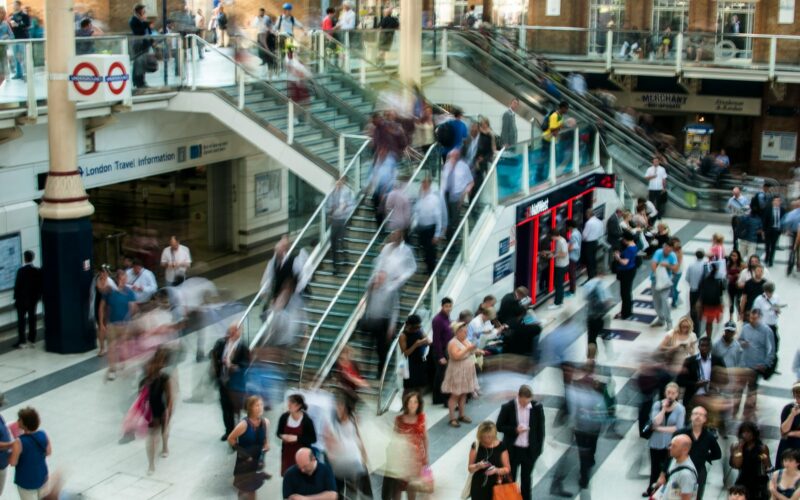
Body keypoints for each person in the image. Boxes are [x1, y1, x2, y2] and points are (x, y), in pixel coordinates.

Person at [496, 385, 544, 500]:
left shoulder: (537, 408)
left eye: (527, 402)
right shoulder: (508, 407)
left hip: (529, 451)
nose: (525, 405)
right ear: (518, 396)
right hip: (513, 450)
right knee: (509, 479)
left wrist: (537, 450)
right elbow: (499, 426)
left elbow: (540, 430)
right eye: (523, 402)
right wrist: (514, 430)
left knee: (526, 480)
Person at [325, 392, 371, 498]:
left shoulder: (353, 420)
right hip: (337, 462)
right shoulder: (332, 422)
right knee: (337, 490)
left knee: (353, 490)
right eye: (337, 406)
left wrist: (364, 456)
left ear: (346, 407)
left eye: (341, 406)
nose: (338, 409)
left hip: (353, 461)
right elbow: (328, 439)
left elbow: (360, 438)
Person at [384, 391, 429, 500]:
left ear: (419, 404)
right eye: (410, 402)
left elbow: (425, 437)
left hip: (416, 459)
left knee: (412, 487)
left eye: (415, 402)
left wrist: (426, 456)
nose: (412, 405)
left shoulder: (422, 418)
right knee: (398, 487)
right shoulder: (399, 420)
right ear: (406, 404)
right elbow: (394, 438)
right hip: (401, 459)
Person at [645, 382, 686, 497]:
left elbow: (678, 428)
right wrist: (663, 410)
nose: (670, 395)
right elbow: (655, 421)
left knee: (667, 469)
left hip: (670, 444)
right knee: (654, 468)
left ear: (677, 394)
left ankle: (664, 492)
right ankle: (651, 490)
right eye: (668, 392)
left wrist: (659, 429)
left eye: (673, 393)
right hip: (655, 442)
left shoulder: (680, 409)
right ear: (665, 393)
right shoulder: (657, 405)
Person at [673, 406, 721, 500]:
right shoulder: (680, 433)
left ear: (705, 419)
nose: (698, 417)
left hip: (699, 471)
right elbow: (670, 454)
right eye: (695, 414)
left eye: (701, 415)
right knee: (675, 496)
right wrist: (663, 474)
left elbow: (717, 454)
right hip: (679, 469)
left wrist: (705, 456)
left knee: (697, 497)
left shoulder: (709, 436)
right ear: (690, 416)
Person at [211, 323, 250, 440]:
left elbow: (246, 364)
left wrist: (235, 366)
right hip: (223, 381)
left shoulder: (243, 346)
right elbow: (214, 355)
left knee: (235, 410)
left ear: (240, 332)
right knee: (225, 407)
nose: (232, 333)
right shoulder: (222, 343)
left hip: (236, 384)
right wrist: (219, 362)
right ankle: (228, 431)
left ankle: (236, 434)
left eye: (235, 331)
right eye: (230, 330)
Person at [228, 395, 270, 499]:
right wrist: (243, 453)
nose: (260, 407)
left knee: (253, 491)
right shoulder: (244, 424)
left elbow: (265, 442)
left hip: (256, 465)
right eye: (256, 405)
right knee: (243, 492)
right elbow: (231, 438)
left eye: (261, 405)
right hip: (243, 465)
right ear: (250, 408)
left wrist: (265, 447)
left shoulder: (265, 422)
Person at [739, 308, 776, 421]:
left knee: (751, 390)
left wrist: (765, 364)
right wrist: (742, 343)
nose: (751, 320)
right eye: (750, 317)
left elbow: (771, 350)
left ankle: (748, 414)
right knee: (739, 389)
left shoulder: (766, 331)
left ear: (759, 317)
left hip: (756, 367)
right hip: (744, 365)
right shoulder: (745, 328)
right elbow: (739, 340)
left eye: (754, 318)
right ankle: (737, 411)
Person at [142, 348, 173, 475]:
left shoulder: (164, 378)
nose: (151, 367)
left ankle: (165, 445)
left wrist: (169, 412)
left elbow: (170, 397)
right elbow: (141, 399)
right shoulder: (144, 381)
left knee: (163, 432)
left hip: (161, 410)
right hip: (150, 412)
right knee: (151, 437)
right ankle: (151, 464)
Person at [442, 321, 479, 428]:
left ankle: (461, 415)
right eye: (463, 332)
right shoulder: (452, 343)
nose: (466, 334)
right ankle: (452, 418)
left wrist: (477, 350)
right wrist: (468, 349)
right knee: (455, 395)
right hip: (457, 371)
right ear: (457, 332)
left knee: (464, 393)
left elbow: (470, 350)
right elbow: (456, 356)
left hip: (467, 370)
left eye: (466, 331)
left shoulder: (466, 340)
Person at [103, 269, 137, 380]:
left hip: (125, 325)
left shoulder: (130, 292)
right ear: (117, 279)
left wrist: (127, 320)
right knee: (112, 348)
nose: (124, 281)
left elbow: (132, 308)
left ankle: (124, 366)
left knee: (124, 347)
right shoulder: (110, 292)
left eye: (125, 279)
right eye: (122, 279)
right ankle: (112, 369)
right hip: (112, 324)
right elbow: (106, 307)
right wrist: (105, 322)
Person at [9, 407, 50, 499]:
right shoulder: (43, 434)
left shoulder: (19, 442)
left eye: (19, 419)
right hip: (42, 476)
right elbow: (48, 452)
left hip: (26, 480)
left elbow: (13, 462)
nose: (17, 421)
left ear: (25, 424)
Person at [677, 337, 726, 412]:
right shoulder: (690, 361)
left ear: (710, 347)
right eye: (702, 345)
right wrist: (695, 384)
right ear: (698, 347)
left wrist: (714, 386)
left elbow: (725, 379)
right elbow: (680, 381)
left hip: (712, 398)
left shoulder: (718, 360)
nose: (704, 348)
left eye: (707, 346)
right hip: (693, 397)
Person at [467, 421, 511, 500]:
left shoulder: (501, 447)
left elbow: (507, 469)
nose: (486, 440)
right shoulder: (476, 445)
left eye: (489, 437)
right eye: (483, 437)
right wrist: (478, 465)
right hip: (479, 486)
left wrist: (496, 470)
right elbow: (470, 468)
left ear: (494, 435)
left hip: (497, 485)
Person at [277, 394, 317, 476]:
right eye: (289, 402)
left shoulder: (307, 421)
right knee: (288, 476)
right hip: (287, 454)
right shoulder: (284, 417)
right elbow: (278, 432)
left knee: (300, 476)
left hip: (302, 456)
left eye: (292, 403)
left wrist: (296, 438)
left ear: (299, 406)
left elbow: (313, 439)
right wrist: (282, 436)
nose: (289, 405)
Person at [731, 421, 771, 500]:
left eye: (748, 432)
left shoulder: (762, 448)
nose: (745, 434)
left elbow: (767, 465)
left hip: (758, 481)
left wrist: (763, 458)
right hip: (743, 479)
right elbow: (737, 465)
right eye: (743, 432)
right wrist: (740, 449)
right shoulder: (736, 447)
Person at [651, 434, 698, 500]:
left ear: (685, 450)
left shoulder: (686, 475)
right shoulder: (674, 459)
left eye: (674, 446)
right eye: (670, 444)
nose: (669, 448)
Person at [441, 148, 474, 240]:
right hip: (446, 194)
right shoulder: (446, 166)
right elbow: (443, 180)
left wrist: (464, 194)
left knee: (454, 219)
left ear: (458, 156)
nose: (452, 158)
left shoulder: (464, 167)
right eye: (451, 156)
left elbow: (471, 182)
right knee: (447, 217)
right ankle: (448, 237)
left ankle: (453, 239)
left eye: (455, 156)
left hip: (457, 195)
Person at [414, 177, 445, 275]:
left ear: (429, 184)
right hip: (421, 228)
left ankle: (432, 271)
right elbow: (416, 211)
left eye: (425, 183)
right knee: (424, 250)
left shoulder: (433, 198)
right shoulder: (420, 197)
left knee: (430, 252)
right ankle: (428, 268)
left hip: (430, 229)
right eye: (422, 183)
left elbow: (438, 216)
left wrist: (437, 234)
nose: (423, 185)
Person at [13, 250, 42, 349]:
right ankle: (32, 340)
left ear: (25, 258)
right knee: (32, 319)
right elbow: (39, 286)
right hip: (33, 300)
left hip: (21, 300)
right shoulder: (37, 271)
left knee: (21, 321)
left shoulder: (21, 271)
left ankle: (22, 341)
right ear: (33, 258)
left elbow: (17, 286)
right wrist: (38, 297)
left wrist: (16, 298)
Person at [326, 178, 355, 275]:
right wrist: (330, 211)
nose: (338, 184)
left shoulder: (346, 193)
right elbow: (327, 208)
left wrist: (343, 209)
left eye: (339, 182)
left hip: (342, 220)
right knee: (333, 243)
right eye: (336, 182)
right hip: (334, 221)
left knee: (342, 241)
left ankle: (346, 258)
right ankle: (335, 267)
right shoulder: (331, 194)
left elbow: (351, 206)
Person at [651, 240, 680, 330]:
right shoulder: (658, 252)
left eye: (669, 249)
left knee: (664, 301)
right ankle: (661, 319)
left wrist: (667, 265)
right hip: (655, 280)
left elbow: (675, 269)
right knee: (656, 302)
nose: (667, 251)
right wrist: (658, 274)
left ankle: (669, 321)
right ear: (664, 247)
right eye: (666, 248)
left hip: (666, 282)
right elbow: (653, 264)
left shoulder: (672, 255)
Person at [399, 314, 430, 397]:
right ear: (409, 326)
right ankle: (405, 406)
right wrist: (415, 345)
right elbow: (405, 353)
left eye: (419, 326)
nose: (417, 329)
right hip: (409, 364)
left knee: (419, 387)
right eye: (415, 327)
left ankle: (418, 405)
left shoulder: (419, 331)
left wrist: (425, 341)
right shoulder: (403, 336)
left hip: (419, 361)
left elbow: (428, 340)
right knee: (408, 388)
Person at [431, 297, 453, 405]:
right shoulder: (438, 320)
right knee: (440, 375)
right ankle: (438, 398)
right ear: (442, 306)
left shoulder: (447, 318)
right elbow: (437, 339)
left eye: (450, 306)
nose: (448, 308)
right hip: (440, 351)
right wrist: (440, 356)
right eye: (446, 306)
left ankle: (442, 397)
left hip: (447, 350)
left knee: (444, 375)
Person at [613, 231, 639, 320]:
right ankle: (627, 311)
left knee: (625, 293)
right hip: (631, 270)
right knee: (627, 292)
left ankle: (625, 313)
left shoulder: (629, 249)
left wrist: (618, 257)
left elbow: (625, 262)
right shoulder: (634, 245)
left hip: (626, 272)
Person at [698, 261, 725, 338]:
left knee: (709, 323)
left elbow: (701, 292)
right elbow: (721, 293)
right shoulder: (719, 279)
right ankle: (710, 337)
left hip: (709, 304)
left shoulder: (705, 279)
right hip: (713, 304)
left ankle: (709, 337)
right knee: (712, 323)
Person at [775, 383, 800, 465]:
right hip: (787, 446)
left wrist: (790, 433)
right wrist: (792, 415)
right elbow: (783, 431)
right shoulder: (788, 408)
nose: (797, 400)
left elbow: (786, 433)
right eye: (796, 396)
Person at [129, 4, 152, 89]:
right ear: (138, 11)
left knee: (143, 63)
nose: (144, 12)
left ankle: (142, 81)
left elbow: (148, 31)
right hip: (138, 44)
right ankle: (138, 82)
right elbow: (138, 31)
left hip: (145, 43)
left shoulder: (143, 21)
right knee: (138, 63)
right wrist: (145, 23)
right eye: (143, 10)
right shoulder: (134, 20)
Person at [684, 250, 707, 334]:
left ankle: (695, 330)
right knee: (700, 311)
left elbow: (687, 278)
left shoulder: (691, 266)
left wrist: (692, 283)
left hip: (693, 291)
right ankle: (698, 329)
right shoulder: (705, 266)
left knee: (693, 311)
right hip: (703, 291)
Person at [549, 230, 569, 310]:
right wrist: (552, 252)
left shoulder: (561, 242)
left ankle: (557, 303)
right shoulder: (560, 240)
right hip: (562, 265)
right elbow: (559, 251)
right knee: (559, 284)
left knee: (558, 285)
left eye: (551, 237)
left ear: (554, 235)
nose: (551, 238)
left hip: (561, 266)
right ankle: (560, 301)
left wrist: (554, 256)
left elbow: (564, 254)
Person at [582, 208, 604, 280]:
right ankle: (594, 273)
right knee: (593, 259)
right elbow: (601, 232)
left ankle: (590, 276)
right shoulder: (599, 221)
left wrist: (582, 239)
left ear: (588, 214)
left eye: (586, 215)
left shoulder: (589, 223)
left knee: (589, 260)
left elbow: (584, 235)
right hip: (595, 242)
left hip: (589, 243)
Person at [9, 0, 28, 80]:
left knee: (22, 56)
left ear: (19, 5)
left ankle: (25, 73)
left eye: (15, 4)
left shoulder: (24, 15)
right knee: (16, 57)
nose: (14, 6)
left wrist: (18, 24)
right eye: (13, 5)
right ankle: (18, 73)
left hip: (22, 38)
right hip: (14, 39)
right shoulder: (12, 16)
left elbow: (27, 24)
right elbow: (11, 27)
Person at [764, 196, 785, 268]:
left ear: (780, 202)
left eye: (778, 201)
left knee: (773, 246)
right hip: (769, 230)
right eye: (775, 200)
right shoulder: (768, 209)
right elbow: (764, 220)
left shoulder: (782, 210)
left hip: (777, 230)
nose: (777, 202)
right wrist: (763, 230)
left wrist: (782, 229)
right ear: (773, 202)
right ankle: (766, 258)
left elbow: (784, 220)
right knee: (767, 246)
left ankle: (771, 260)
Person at [566, 219, 582, 296]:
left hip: (572, 256)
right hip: (576, 255)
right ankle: (572, 289)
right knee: (572, 273)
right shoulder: (578, 232)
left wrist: (566, 250)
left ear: (570, 227)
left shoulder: (573, 235)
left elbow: (574, 246)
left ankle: (572, 290)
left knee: (571, 274)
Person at [727, 249, 744, 320]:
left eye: (735, 256)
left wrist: (739, 275)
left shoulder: (742, 265)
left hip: (738, 286)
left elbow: (744, 274)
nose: (733, 257)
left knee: (738, 301)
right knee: (731, 302)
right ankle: (731, 317)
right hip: (731, 285)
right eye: (732, 255)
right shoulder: (729, 264)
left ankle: (739, 316)